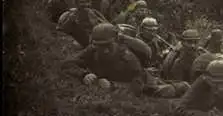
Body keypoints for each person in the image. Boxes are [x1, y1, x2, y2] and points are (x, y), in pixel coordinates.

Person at [60, 23, 189, 98]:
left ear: (115, 41)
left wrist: (112, 86)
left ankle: (183, 86)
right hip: (118, 78)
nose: (103, 49)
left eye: (107, 45)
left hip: (144, 80)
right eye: (99, 45)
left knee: (159, 90)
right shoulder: (92, 50)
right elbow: (67, 64)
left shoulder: (127, 58)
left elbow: (137, 87)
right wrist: (84, 75)